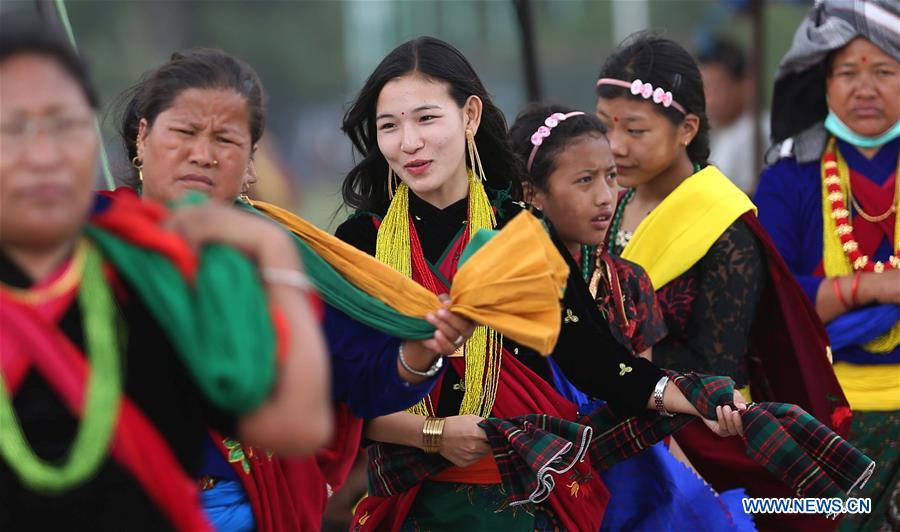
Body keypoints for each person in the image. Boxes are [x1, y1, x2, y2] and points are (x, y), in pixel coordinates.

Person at [337, 36, 746, 531]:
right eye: (389, 126)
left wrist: (695, 399)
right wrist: (433, 433)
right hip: (407, 506)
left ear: (468, 116)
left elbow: (596, 361)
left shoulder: (520, 231)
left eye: (426, 119)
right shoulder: (361, 241)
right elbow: (338, 392)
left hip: (517, 505)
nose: (408, 142)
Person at [116, 48, 475, 531]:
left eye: (226, 138)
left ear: (250, 162)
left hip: (244, 510)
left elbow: (362, 381)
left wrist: (422, 349)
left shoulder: (288, 259)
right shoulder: (81, 244)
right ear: (142, 136)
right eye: (183, 132)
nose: (202, 154)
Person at [0, 26, 331, 531]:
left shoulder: (152, 275)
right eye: (15, 126)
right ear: (141, 138)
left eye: (65, 125)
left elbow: (297, 426)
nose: (43, 153)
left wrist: (274, 250)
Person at [596, 33, 846, 531]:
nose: (615, 146)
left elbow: (716, 365)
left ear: (686, 127)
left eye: (636, 130)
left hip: (694, 451)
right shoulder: (606, 204)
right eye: (604, 127)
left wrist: (604, 361)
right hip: (609, 437)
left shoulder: (723, 226)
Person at [509, 103, 755, 531]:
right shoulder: (507, 289)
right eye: (585, 180)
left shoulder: (628, 284)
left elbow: (643, 387)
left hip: (626, 477)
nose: (606, 196)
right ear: (532, 193)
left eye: (610, 176)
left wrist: (694, 483)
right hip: (534, 478)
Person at [754, 1, 899, 528]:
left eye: (884, 71)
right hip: (822, 410)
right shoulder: (789, 176)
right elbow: (772, 297)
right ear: (822, 82)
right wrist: (875, 288)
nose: (865, 88)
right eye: (848, 73)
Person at [696, 37, 769, 195]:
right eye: (705, 89)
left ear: (746, 85)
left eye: (717, 88)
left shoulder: (752, 134)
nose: (710, 100)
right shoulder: (718, 134)